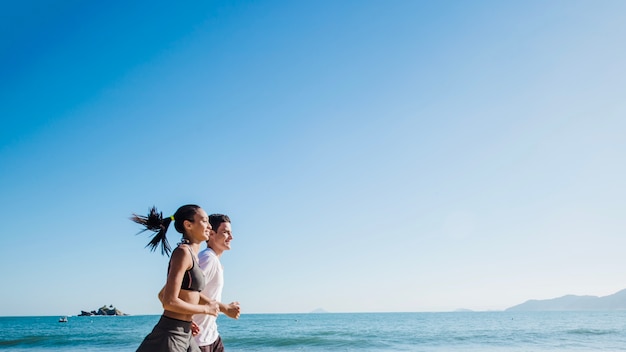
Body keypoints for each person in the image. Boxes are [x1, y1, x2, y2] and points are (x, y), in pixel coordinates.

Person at [131, 205, 220, 352]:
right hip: (170, 335)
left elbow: (162, 294)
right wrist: (205, 309)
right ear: (188, 225)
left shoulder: (193, 256)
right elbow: (169, 301)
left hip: (185, 332)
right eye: (204, 221)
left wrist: (188, 320)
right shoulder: (182, 253)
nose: (210, 226)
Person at [192, 214, 240, 352]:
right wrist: (225, 308)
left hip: (211, 336)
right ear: (211, 234)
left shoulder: (214, 260)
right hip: (199, 340)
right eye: (225, 232)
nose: (231, 237)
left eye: (231, 232)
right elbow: (188, 293)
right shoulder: (208, 258)